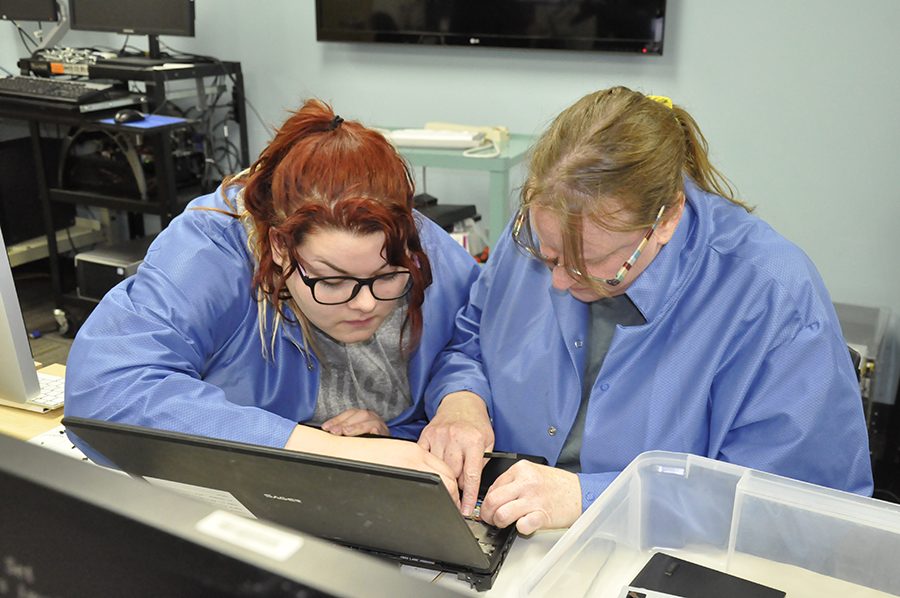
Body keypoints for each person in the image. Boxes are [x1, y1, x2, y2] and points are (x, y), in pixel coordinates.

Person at [420, 86, 873, 531]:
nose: (558, 280)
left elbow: (790, 505)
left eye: (593, 266)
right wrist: (462, 400)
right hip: (511, 532)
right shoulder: (544, 234)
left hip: (668, 557)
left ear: (666, 219)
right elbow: (468, 342)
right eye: (550, 255)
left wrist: (591, 497)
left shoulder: (771, 297)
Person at [64, 99, 481, 494]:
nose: (367, 304)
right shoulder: (210, 251)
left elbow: (471, 336)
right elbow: (107, 391)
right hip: (247, 492)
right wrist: (334, 452)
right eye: (332, 282)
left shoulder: (417, 243)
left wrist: (459, 402)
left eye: (387, 277)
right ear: (280, 248)